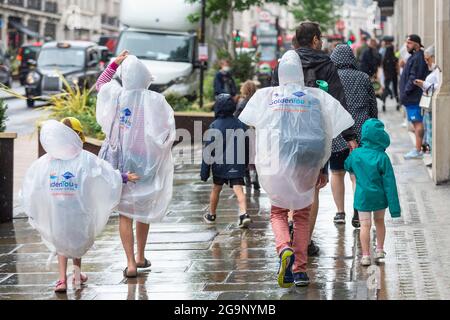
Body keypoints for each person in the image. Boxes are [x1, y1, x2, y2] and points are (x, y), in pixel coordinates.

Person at [240, 50, 354, 288]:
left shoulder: (266, 96)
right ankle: (300, 270)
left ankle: (284, 248)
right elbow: (325, 134)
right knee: (302, 214)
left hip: (279, 163)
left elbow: (249, 122)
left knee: (278, 212)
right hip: (308, 163)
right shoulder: (315, 98)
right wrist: (322, 169)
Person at [272, 22, 358, 257]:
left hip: (286, 135)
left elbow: (272, 98)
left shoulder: (284, 64)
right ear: (315, 40)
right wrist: (350, 136)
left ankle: (290, 232)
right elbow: (338, 100)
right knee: (312, 190)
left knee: (291, 185)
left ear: (295, 41)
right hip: (315, 136)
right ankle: (305, 241)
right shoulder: (327, 65)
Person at [96, 51, 176, 278]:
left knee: (125, 213)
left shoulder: (115, 95)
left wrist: (114, 63)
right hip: (146, 162)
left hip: (121, 160)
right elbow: (165, 130)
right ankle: (141, 255)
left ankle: (130, 263)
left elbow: (100, 84)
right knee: (142, 208)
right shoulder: (155, 100)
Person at [21, 118, 125, 293]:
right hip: (80, 209)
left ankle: (62, 280)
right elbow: (104, 173)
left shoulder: (47, 160)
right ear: (77, 136)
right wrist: (123, 177)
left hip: (57, 210)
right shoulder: (84, 158)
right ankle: (76, 274)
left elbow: (33, 183)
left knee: (60, 243)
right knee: (78, 239)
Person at [330, 44, 378, 228]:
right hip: (360, 133)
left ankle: (339, 212)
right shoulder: (364, 78)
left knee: (336, 173)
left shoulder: (330, 79)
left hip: (337, 132)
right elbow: (372, 106)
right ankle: (358, 210)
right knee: (356, 175)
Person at [344, 119, 401, 266]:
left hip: (362, 197)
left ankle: (365, 255)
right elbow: (390, 184)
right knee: (380, 221)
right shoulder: (383, 157)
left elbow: (347, 165)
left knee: (365, 225)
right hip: (379, 197)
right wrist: (395, 209)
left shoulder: (356, 154)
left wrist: (353, 156)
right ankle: (380, 249)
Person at [201, 94, 252, 229]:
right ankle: (244, 214)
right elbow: (246, 145)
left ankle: (211, 215)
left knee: (216, 189)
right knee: (239, 189)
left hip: (219, 165)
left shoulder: (214, 126)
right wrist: (245, 163)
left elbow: (208, 150)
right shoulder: (240, 124)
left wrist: (204, 172)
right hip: (236, 163)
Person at [399, 34, 430, 160]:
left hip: (413, 97)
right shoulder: (414, 56)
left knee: (417, 123)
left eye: (410, 43)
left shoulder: (418, 57)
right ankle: (419, 147)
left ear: (417, 44)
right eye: (407, 43)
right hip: (411, 98)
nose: (407, 45)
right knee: (416, 123)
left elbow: (414, 77)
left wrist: (406, 92)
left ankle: (418, 150)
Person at [413, 45, 441, 155]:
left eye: (427, 59)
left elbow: (439, 86)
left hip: (432, 106)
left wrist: (424, 84)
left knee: (432, 132)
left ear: (434, 57)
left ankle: (432, 153)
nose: (426, 61)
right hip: (428, 107)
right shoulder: (434, 71)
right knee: (429, 132)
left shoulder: (438, 71)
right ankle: (430, 152)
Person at [234, 80, 260, 190]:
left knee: (245, 156)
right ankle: (255, 178)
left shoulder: (243, 103)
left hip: (244, 132)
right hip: (256, 131)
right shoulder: (258, 101)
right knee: (255, 156)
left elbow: (237, 116)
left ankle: (248, 179)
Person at [381, 38, 400, 112]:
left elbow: (383, 67)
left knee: (386, 88)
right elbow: (397, 67)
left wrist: (385, 74)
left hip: (387, 76)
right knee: (395, 89)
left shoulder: (385, 59)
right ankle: (398, 103)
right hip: (394, 75)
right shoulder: (394, 58)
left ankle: (383, 103)